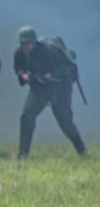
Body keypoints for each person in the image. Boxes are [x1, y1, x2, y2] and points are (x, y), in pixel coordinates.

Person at [13, 26, 87, 158]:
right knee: (27, 116)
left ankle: (82, 150)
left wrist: (50, 75)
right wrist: (23, 75)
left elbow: (68, 68)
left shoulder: (50, 51)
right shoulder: (20, 54)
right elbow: (18, 67)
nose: (24, 46)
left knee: (65, 123)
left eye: (27, 43)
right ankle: (22, 155)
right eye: (22, 43)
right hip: (39, 89)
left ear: (34, 42)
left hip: (59, 89)